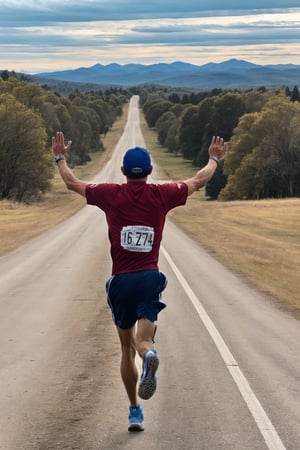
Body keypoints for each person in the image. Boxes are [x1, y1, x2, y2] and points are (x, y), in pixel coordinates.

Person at [51, 131, 225, 432]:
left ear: (122, 172)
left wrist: (59, 157)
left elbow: (71, 183)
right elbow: (198, 180)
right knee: (143, 342)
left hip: (121, 281)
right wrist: (213, 159)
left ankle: (134, 411)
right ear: (150, 171)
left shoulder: (110, 194)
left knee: (125, 349)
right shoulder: (162, 194)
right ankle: (151, 355)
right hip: (148, 279)